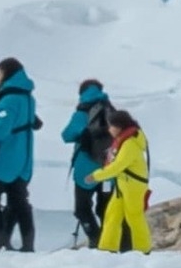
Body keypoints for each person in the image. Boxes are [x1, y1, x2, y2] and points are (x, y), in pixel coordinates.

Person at [0, 58, 39, 252]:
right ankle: (28, 244)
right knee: (19, 203)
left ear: (5, 73)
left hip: (5, 158)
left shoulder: (9, 99)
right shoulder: (28, 97)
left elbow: (1, 131)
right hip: (24, 159)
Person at [88, 108, 151, 255]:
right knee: (112, 215)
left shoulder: (130, 144)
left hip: (133, 186)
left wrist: (96, 176)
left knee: (134, 217)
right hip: (124, 185)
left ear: (119, 127)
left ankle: (143, 249)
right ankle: (107, 247)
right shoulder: (125, 141)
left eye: (111, 126)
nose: (109, 129)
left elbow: (117, 166)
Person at [62, 79, 111, 249]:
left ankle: (96, 239)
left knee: (82, 209)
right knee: (106, 209)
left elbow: (66, 135)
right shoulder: (111, 111)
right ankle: (109, 240)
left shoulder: (82, 112)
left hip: (86, 169)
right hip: (108, 168)